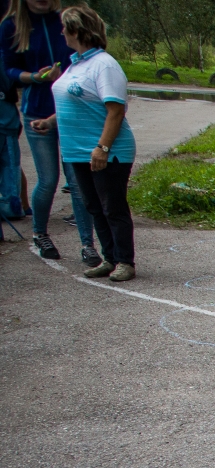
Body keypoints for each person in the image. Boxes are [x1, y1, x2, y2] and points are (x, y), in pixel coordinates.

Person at [27, 6, 129, 278]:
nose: (61, 32)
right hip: (77, 152)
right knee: (94, 207)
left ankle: (125, 262)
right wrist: (49, 122)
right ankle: (109, 258)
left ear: (77, 30)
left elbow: (115, 110)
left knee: (112, 207)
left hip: (105, 150)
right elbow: (73, 103)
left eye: (65, 27)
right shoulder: (76, 63)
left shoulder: (104, 65)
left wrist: (103, 147)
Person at [3, 0, 97, 265]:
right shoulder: (11, 25)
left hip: (71, 110)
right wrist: (33, 77)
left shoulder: (64, 20)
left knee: (78, 182)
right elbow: (8, 68)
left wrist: (66, 79)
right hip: (37, 110)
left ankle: (88, 244)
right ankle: (40, 233)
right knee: (48, 179)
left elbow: (85, 56)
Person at [1, 58, 21, 219]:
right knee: (10, 165)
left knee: (10, 165)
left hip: (7, 121)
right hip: (6, 122)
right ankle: (11, 205)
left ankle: (12, 205)